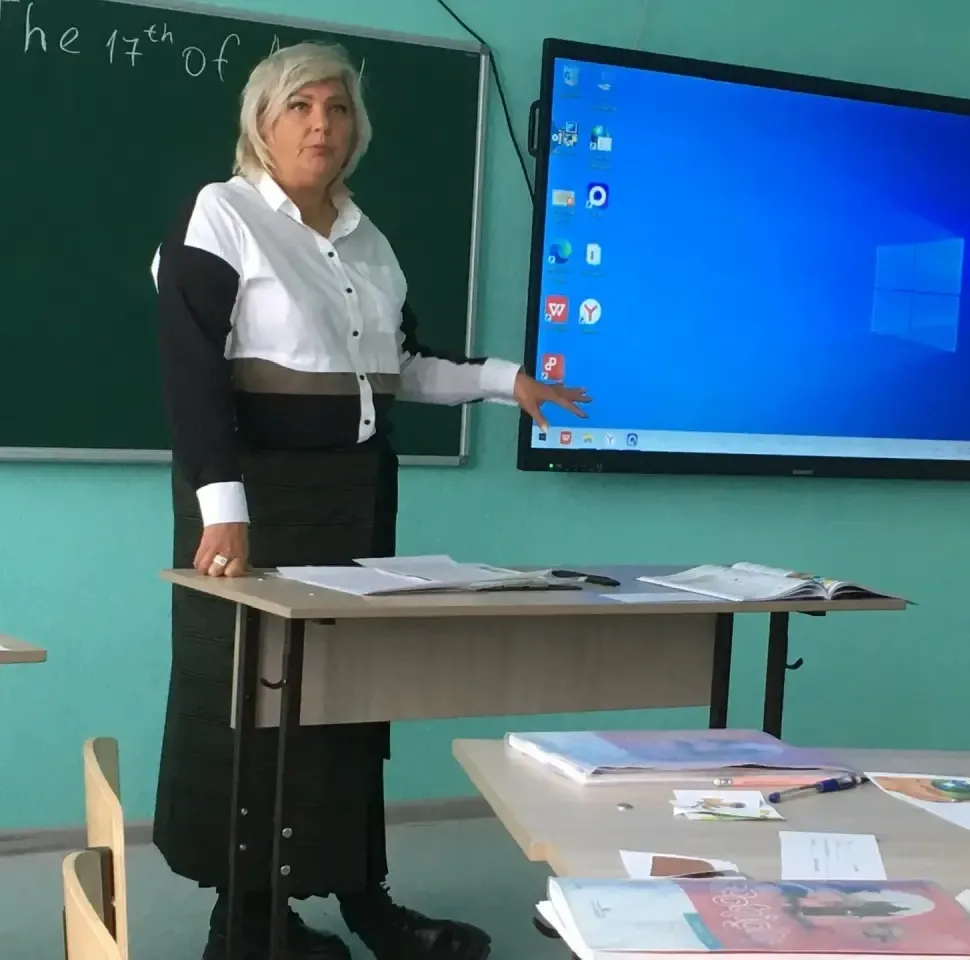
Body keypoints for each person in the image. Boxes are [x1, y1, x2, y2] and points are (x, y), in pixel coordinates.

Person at [152, 41, 588, 960]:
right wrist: (222, 507)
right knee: (249, 704)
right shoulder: (222, 213)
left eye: (338, 108)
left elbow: (400, 367)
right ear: (261, 122)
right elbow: (192, 373)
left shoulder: (368, 240)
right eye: (300, 105)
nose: (322, 123)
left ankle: (365, 900)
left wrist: (505, 380)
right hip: (254, 501)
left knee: (349, 704)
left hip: (354, 499)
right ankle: (247, 921)